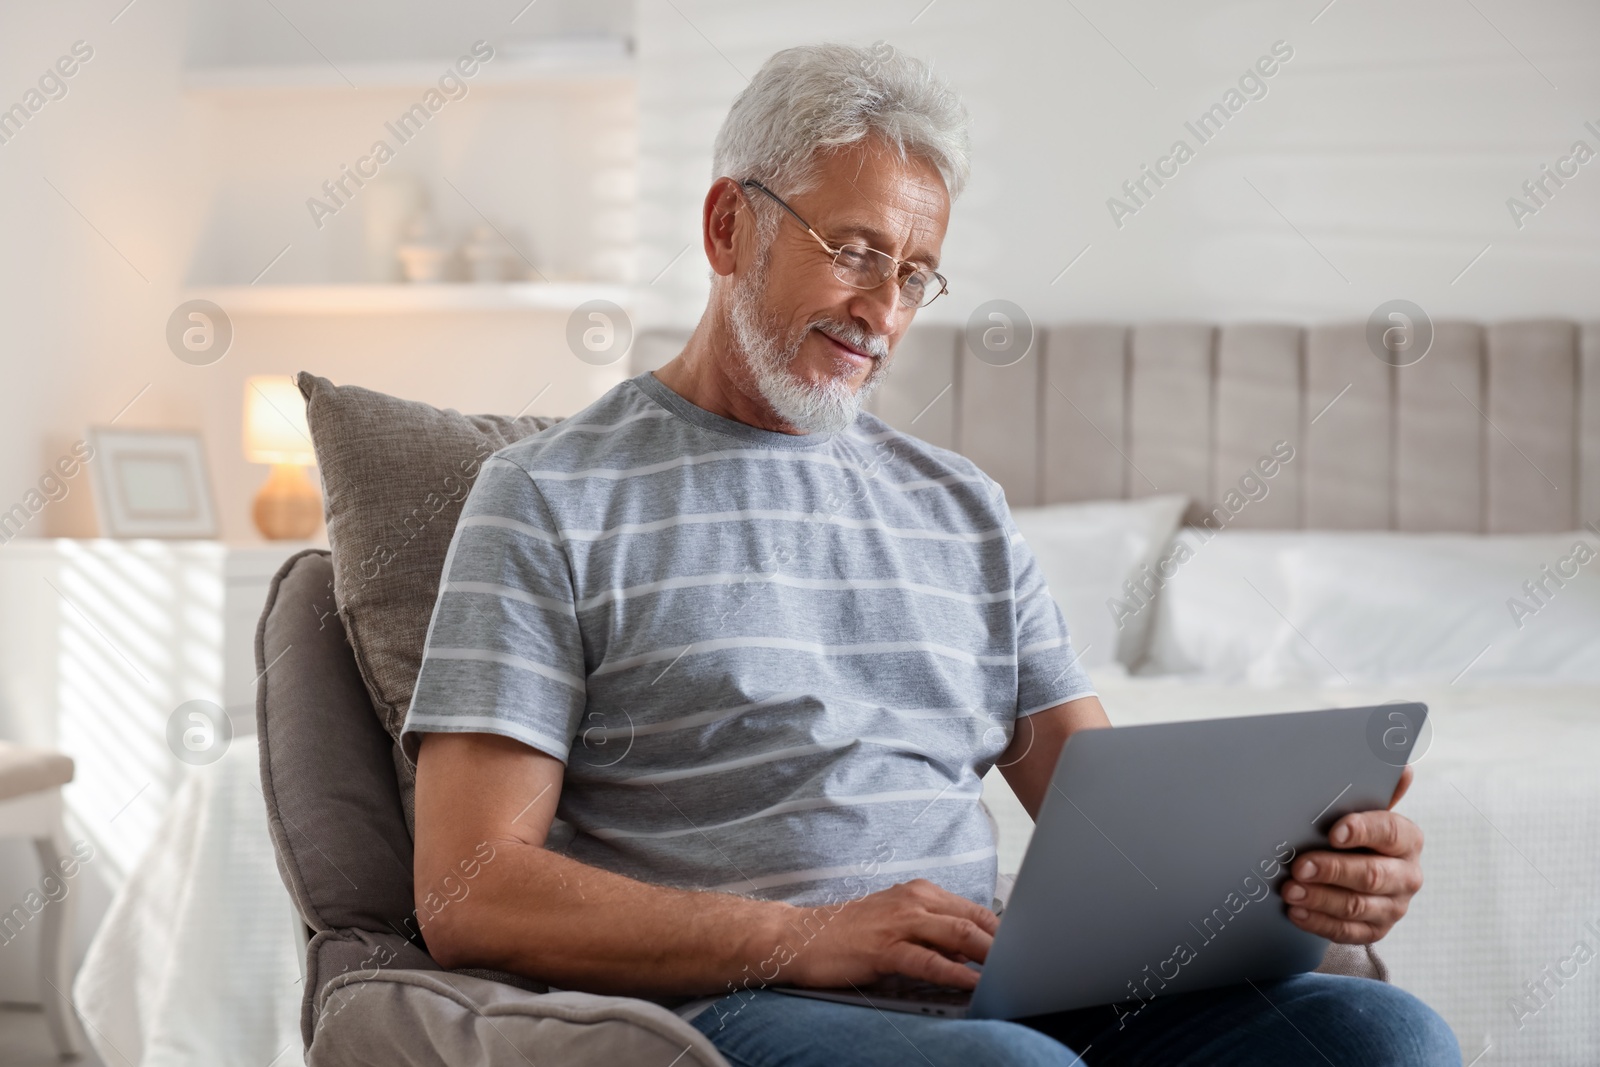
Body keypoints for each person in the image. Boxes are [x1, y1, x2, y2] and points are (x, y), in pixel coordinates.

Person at [403, 41, 1461, 1066]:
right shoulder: (548, 497)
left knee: (1384, 1035)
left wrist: (1306, 880)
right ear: (730, 227)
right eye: (856, 251)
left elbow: (1111, 824)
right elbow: (469, 887)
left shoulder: (962, 510)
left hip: (992, 995)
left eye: (915, 275)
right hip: (742, 1005)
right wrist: (805, 937)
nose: (883, 313)